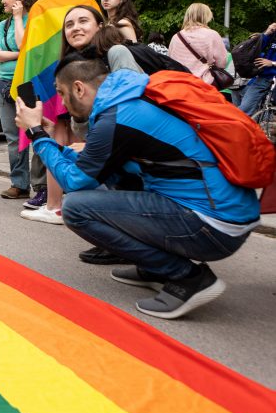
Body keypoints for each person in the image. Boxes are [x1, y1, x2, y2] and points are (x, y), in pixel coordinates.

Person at [15, 57, 260, 319]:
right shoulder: (129, 99)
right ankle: (154, 268)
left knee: (76, 208)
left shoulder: (116, 117)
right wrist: (52, 143)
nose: (61, 103)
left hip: (212, 225)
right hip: (225, 214)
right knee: (106, 186)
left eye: (62, 94)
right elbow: (100, 167)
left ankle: (188, 278)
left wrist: (36, 134)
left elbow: (74, 181)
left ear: (79, 88)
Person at [12, 0, 100, 224]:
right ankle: (78, 204)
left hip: (54, 82)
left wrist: (29, 91)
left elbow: (31, 51)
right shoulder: (91, 2)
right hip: (87, 81)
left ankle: (54, 205)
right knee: (80, 141)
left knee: (57, 138)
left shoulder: (43, 4)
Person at [0, 0, 42, 199]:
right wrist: (19, 55)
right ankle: (19, 184)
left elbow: (23, 45)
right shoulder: (2, 26)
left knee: (31, 133)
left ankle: (41, 186)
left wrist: (20, 18)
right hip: (2, 83)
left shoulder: (33, 22)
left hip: (26, 84)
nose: (3, 0)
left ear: (19, 1)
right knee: (13, 137)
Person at [167, 3, 228, 87]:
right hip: (203, 84)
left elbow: (170, 61)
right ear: (206, 16)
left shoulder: (176, 37)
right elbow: (222, 63)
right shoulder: (212, 35)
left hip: (180, 84)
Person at [237, 22, 276, 115]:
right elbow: (256, 49)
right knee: (244, 108)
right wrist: (267, 32)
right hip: (263, 77)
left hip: (269, 76)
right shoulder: (273, 35)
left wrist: (273, 63)